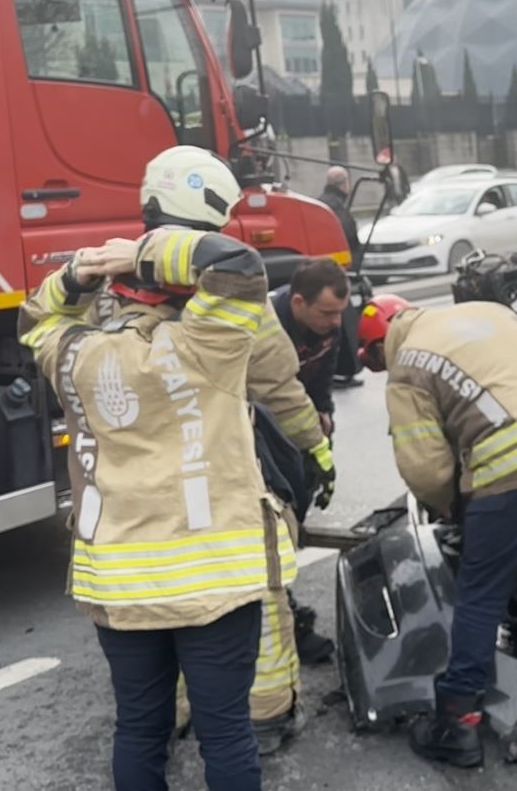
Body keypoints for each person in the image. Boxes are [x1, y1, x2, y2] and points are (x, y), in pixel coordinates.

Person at [19, 225, 298, 791]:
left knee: (140, 730)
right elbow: (239, 264)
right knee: (225, 734)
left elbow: (32, 320)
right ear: (179, 295)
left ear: (112, 297)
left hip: (120, 588)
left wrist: (78, 272)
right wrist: (143, 253)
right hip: (213, 584)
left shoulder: (73, 352)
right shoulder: (210, 345)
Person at [89, 146, 338, 756]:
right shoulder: (233, 292)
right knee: (257, 594)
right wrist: (318, 454)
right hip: (214, 474)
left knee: (153, 608)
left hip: (127, 487)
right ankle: (264, 712)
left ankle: (169, 716)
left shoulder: (105, 286)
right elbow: (278, 387)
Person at [357, 295, 517, 768]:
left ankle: (458, 721)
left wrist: (452, 503)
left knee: (481, 591)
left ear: (378, 345)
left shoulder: (407, 367)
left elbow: (426, 470)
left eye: (372, 357)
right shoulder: (484, 310)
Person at [270, 258, 351, 437]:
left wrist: (324, 412)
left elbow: (324, 374)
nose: (337, 322)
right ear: (298, 303)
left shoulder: (326, 324)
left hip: (304, 402)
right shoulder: (269, 326)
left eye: (340, 312)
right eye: (327, 313)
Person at [318, 165, 366, 386]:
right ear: (344, 184)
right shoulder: (338, 210)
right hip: (338, 271)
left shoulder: (319, 204)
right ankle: (346, 368)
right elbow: (349, 242)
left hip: (321, 269)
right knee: (342, 324)